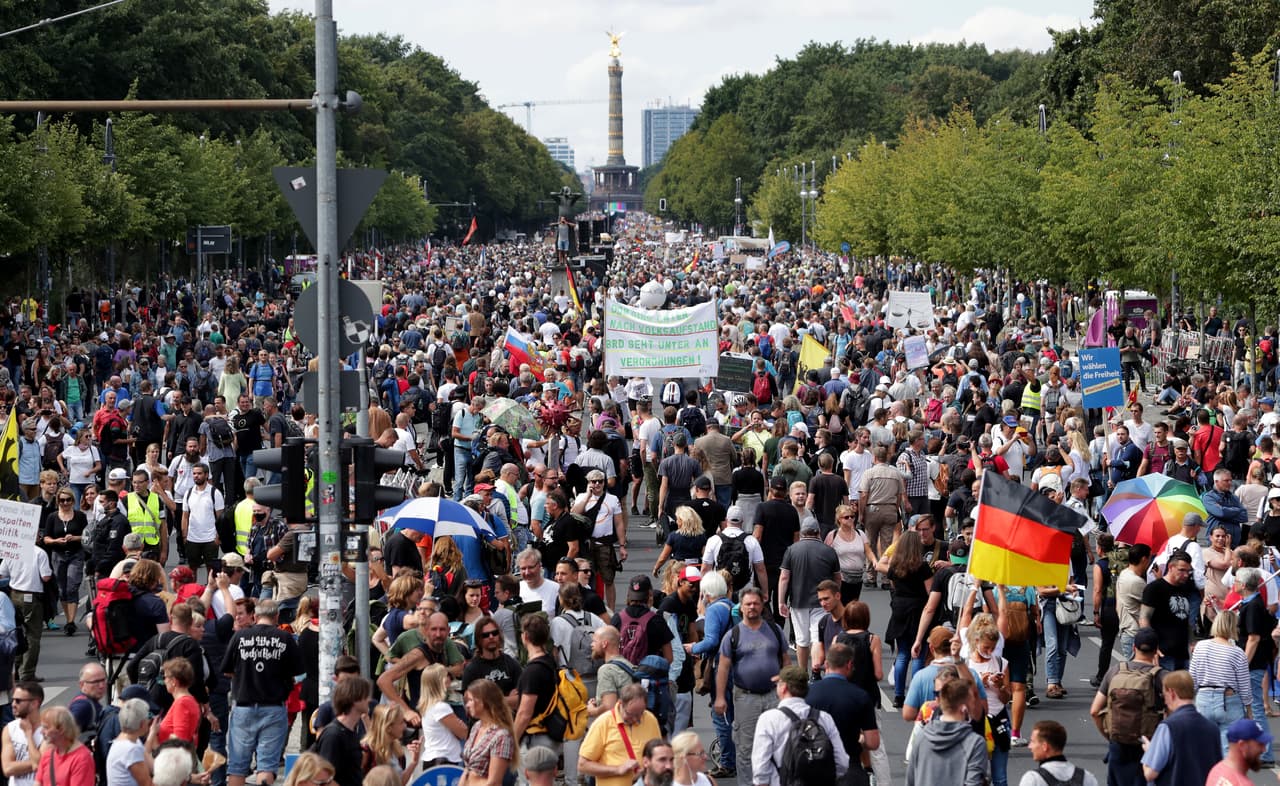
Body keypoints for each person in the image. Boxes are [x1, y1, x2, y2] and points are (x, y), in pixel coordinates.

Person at [221, 598, 304, 786]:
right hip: (273, 707)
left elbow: (226, 670)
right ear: (276, 616)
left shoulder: (240, 637)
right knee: (266, 765)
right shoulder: (285, 638)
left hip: (243, 705)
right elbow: (299, 673)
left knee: (237, 766)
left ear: (256, 616)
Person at [715, 587, 789, 786]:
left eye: (756, 603)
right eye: (748, 604)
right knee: (746, 748)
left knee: (777, 745)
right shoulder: (733, 635)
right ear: (741, 607)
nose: (752, 607)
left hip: (774, 695)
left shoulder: (775, 630)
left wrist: (788, 692)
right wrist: (720, 697)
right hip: (745, 698)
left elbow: (785, 661)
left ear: (762, 605)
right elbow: (723, 667)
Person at [805, 642, 878, 786]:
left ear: (826, 664)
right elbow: (873, 742)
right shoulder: (860, 696)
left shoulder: (808, 694)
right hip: (850, 767)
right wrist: (861, 738)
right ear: (849, 664)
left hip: (814, 765)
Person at [778, 519, 840, 674]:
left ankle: (802, 673)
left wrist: (781, 601)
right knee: (817, 639)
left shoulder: (792, 550)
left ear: (802, 532)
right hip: (822, 601)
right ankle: (816, 672)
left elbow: (784, 577)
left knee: (801, 641)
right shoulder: (829, 551)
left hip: (798, 601)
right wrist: (836, 598)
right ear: (818, 532)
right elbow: (837, 578)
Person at [904, 672, 989, 786]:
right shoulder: (975, 743)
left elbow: (910, 780)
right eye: (972, 702)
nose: (975, 706)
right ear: (964, 708)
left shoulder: (922, 737)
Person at [1140, 670, 1223, 784]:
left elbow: (1150, 773)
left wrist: (1150, 752)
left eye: (1164, 695)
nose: (1164, 700)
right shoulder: (1212, 728)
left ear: (1172, 693)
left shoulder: (1168, 727)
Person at [1189, 611, 1250, 756]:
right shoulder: (1237, 652)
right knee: (1229, 750)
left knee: (1203, 748)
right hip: (1228, 699)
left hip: (1203, 698)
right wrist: (1249, 711)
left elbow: (1193, 677)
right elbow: (1244, 686)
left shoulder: (1200, 646)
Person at [1233, 566, 1276, 765]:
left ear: (1242, 585)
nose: (1233, 584)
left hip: (1253, 664)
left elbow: (1253, 638)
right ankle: (1251, 749)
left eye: (1235, 582)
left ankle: (1265, 753)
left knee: (1255, 707)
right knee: (1247, 706)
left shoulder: (1253, 606)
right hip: (1255, 662)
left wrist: (1242, 664)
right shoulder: (1252, 603)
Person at [578, 683, 661, 786]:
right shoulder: (603, 723)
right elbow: (583, 765)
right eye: (630, 714)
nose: (635, 719)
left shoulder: (650, 719)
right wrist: (618, 769)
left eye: (640, 714)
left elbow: (659, 755)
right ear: (620, 703)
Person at [0, 542, 51, 682]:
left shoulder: (12, 552)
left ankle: (15, 670)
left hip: (14, 595)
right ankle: (27, 672)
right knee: (32, 635)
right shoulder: (39, 552)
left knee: (15, 632)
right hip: (31, 596)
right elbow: (46, 576)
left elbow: (2, 573)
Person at [1140, 550, 1197, 671]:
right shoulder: (1155, 588)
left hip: (1182, 653)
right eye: (1182, 570)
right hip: (1163, 653)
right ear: (1171, 567)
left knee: (1183, 689)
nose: (1186, 574)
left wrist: (1192, 642)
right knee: (1166, 689)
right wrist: (1151, 646)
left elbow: (1186, 620)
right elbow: (1144, 618)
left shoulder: (1185, 587)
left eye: (1188, 571)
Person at [313, 676, 373, 786]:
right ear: (355, 699)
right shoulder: (333, 735)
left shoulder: (351, 732)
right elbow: (325, 779)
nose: (369, 700)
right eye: (366, 696)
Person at [459, 679, 517, 786]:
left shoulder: (501, 736)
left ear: (483, 702)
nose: (467, 705)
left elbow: (494, 782)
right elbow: (467, 770)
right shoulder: (476, 727)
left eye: (470, 700)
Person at [1017, 720, 1098, 786]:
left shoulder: (1033, 779)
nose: (1029, 746)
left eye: (1033, 741)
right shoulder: (1087, 778)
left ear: (1045, 746)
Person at [415, 664, 466, 769]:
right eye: (446, 676)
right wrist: (460, 726)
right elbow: (463, 733)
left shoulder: (429, 706)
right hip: (444, 760)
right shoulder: (441, 707)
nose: (449, 679)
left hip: (435, 759)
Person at [361, 704, 421, 785]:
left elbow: (400, 783)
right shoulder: (367, 750)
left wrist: (414, 762)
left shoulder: (397, 751)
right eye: (401, 722)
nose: (405, 726)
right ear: (388, 727)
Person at [34, 707, 94, 786]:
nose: (41, 732)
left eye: (46, 727)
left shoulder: (82, 758)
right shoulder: (48, 755)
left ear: (61, 729)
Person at [1204, 718, 1273, 785]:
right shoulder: (1241, 783)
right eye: (1260, 744)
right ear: (1242, 745)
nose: (1264, 749)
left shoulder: (1216, 771)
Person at [104, 698, 156, 786]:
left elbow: (147, 759)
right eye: (149, 717)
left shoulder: (125, 740)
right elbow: (147, 784)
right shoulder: (131, 750)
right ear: (142, 724)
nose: (150, 720)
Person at [2, 681, 44, 786]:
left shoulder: (49, 730)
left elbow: (42, 765)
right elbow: (7, 769)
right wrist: (36, 762)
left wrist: (29, 735)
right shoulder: (9, 729)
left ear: (35, 703)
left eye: (18, 701)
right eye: (13, 700)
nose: (13, 704)